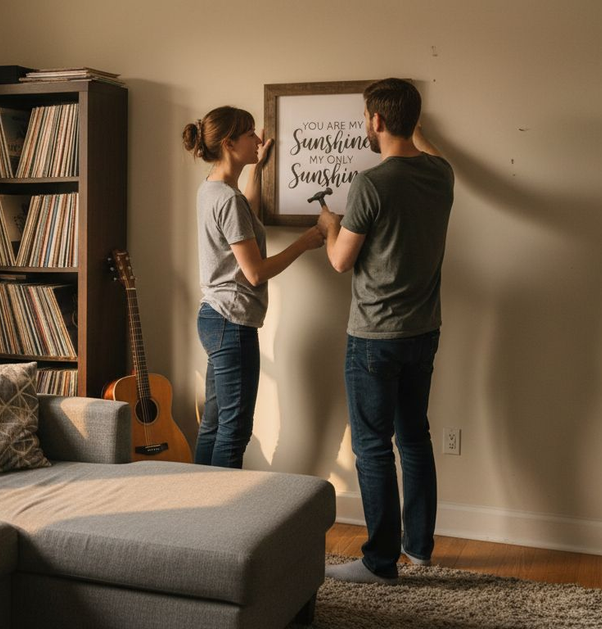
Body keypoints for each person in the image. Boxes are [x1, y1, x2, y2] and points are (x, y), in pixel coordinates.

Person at [317, 79, 454, 583]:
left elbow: (338, 261)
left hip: (375, 336)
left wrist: (331, 225)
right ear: (412, 121)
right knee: (414, 437)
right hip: (424, 331)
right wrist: (420, 131)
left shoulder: (371, 185)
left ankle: (378, 563)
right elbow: (434, 155)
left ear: (376, 121)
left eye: (367, 118)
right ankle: (418, 549)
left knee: (372, 446)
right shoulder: (442, 175)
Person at [182, 106, 324, 469]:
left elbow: (246, 213)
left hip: (215, 318)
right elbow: (255, 273)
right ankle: (222, 519)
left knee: (214, 426)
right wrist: (304, 242)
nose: (258, 139)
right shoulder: (227, 200)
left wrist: (258, 168)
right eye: (250, 134)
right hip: (231, 324)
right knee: (234, 430)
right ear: (229, 144)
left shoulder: (213, 190)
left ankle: (198, 510)